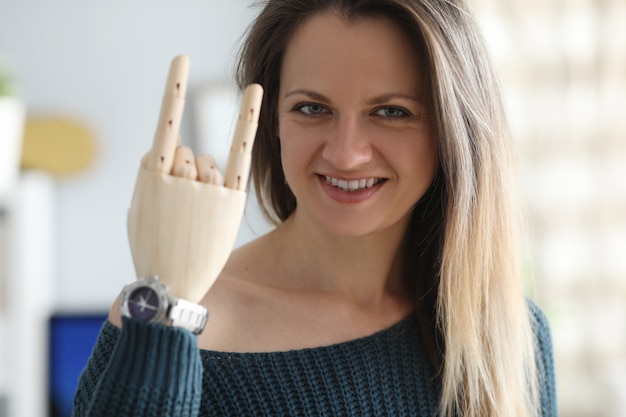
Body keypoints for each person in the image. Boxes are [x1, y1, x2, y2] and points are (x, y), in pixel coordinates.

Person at [72, 0, 557, 416]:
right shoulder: (174, 318)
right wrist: (170, 302)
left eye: (391, 112)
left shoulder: (510, 333)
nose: (346, 154)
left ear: (452, 133)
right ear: (273, 123)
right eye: (311, 108)